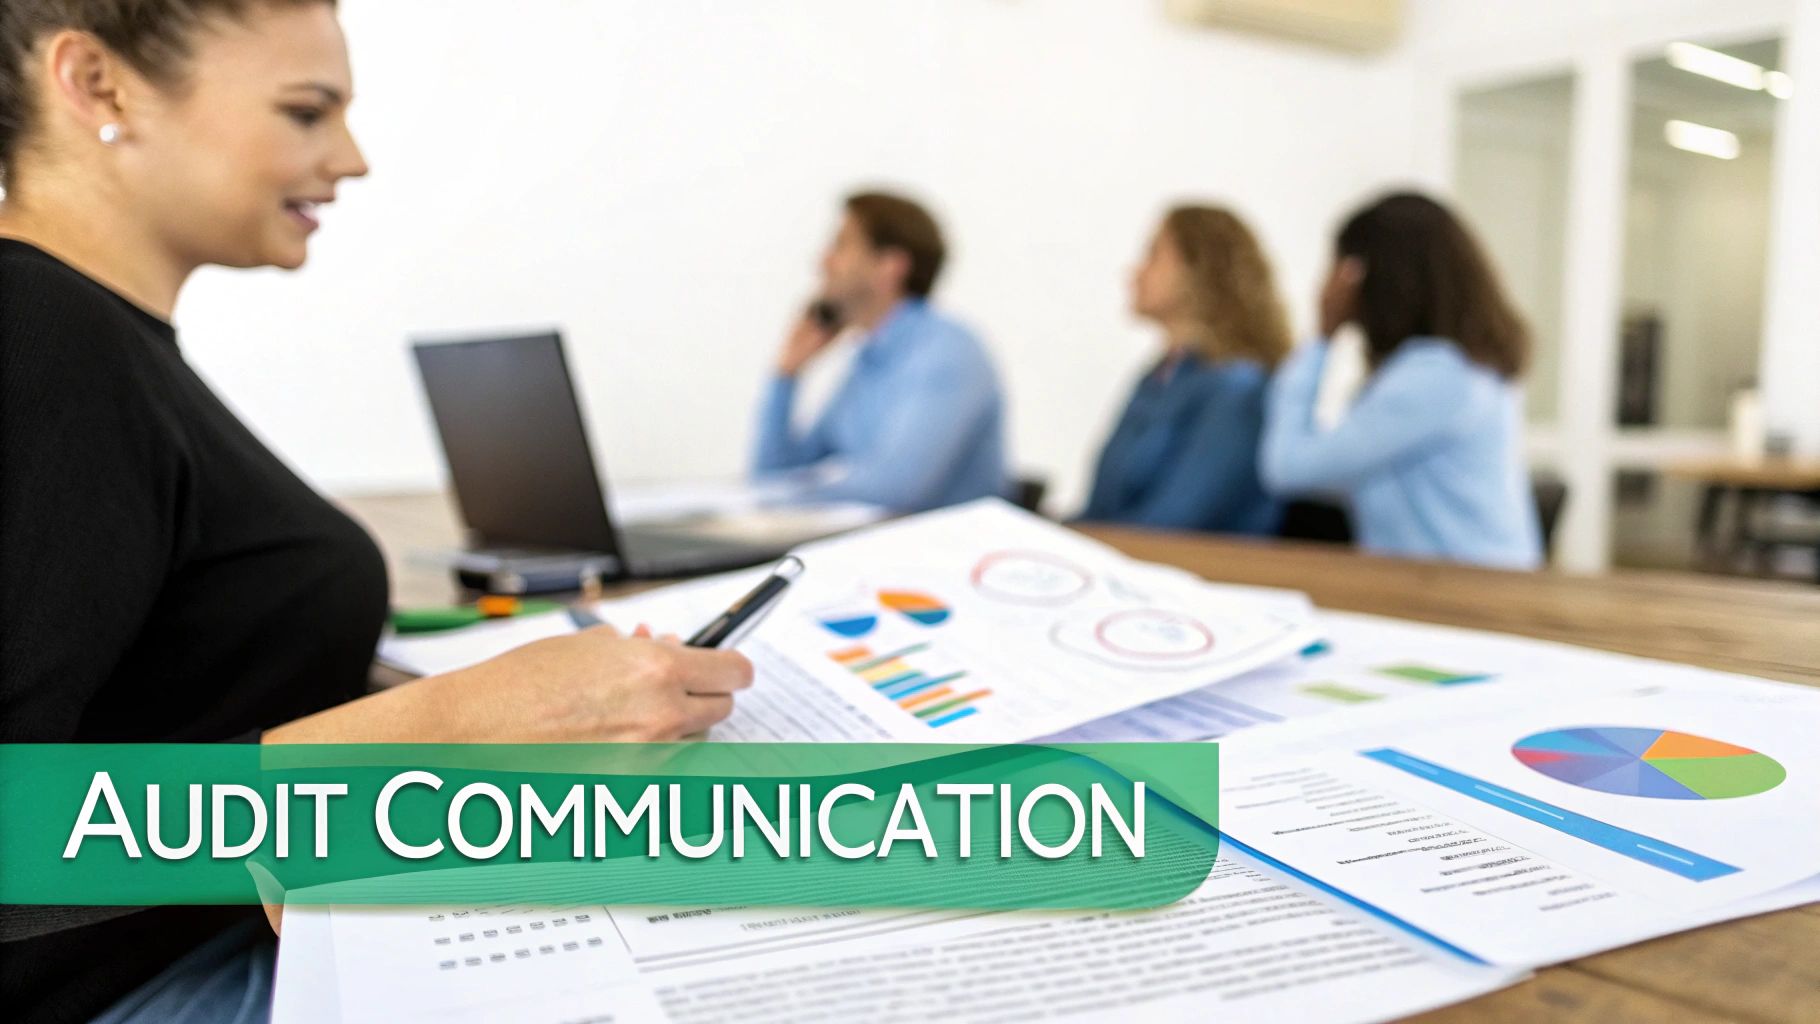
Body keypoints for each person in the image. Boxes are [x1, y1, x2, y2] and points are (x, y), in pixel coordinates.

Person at [0, 2, 751, 1020]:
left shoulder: (100, 342)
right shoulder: (41, 332)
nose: (350, 158)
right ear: (98, 84)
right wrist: (442, 730)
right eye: (306, 111)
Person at [1259, 192, 1543, 569]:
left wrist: (1323, 336)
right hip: (1458, 579)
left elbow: (1288, 468)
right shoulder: (1462, 367)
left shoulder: (1437, 376)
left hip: (1463, 590)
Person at [752, 191, 1007, 513]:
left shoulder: (948, 353)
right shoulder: (868, 361)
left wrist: (786, 497)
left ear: (889, 266)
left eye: (841, 245)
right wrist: (786, 373)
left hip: (943, 541)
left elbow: (893, 490)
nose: (823, 262)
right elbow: (772, 478)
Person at [1080, 205, 1290, 533]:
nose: (1135, 272)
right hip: (1117, 553)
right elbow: (1100, 508)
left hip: (1182, 561)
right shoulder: (1159, 377)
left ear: (1199, 269)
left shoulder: (1238, 390)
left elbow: (1173, 522)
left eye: (1153, 255)